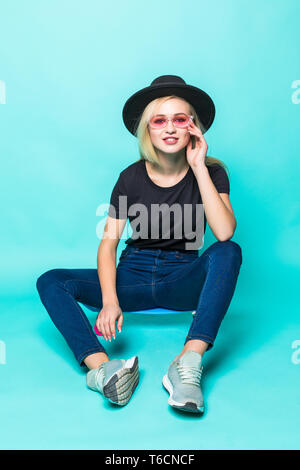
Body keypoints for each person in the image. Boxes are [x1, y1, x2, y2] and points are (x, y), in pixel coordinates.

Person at [36, 75, 242, 414]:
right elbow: (108, 245)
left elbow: (223, 233)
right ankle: (102, 370)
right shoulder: (130, 177)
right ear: (147, 129)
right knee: (50, 280)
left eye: (180, 119)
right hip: (131, 276)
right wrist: (110, 300)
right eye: (159, 120)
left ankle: (188, 364)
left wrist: (199, 167)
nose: (170, 128)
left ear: (194, 127)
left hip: (182, 279)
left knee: (228, 252)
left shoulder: (213, 173)